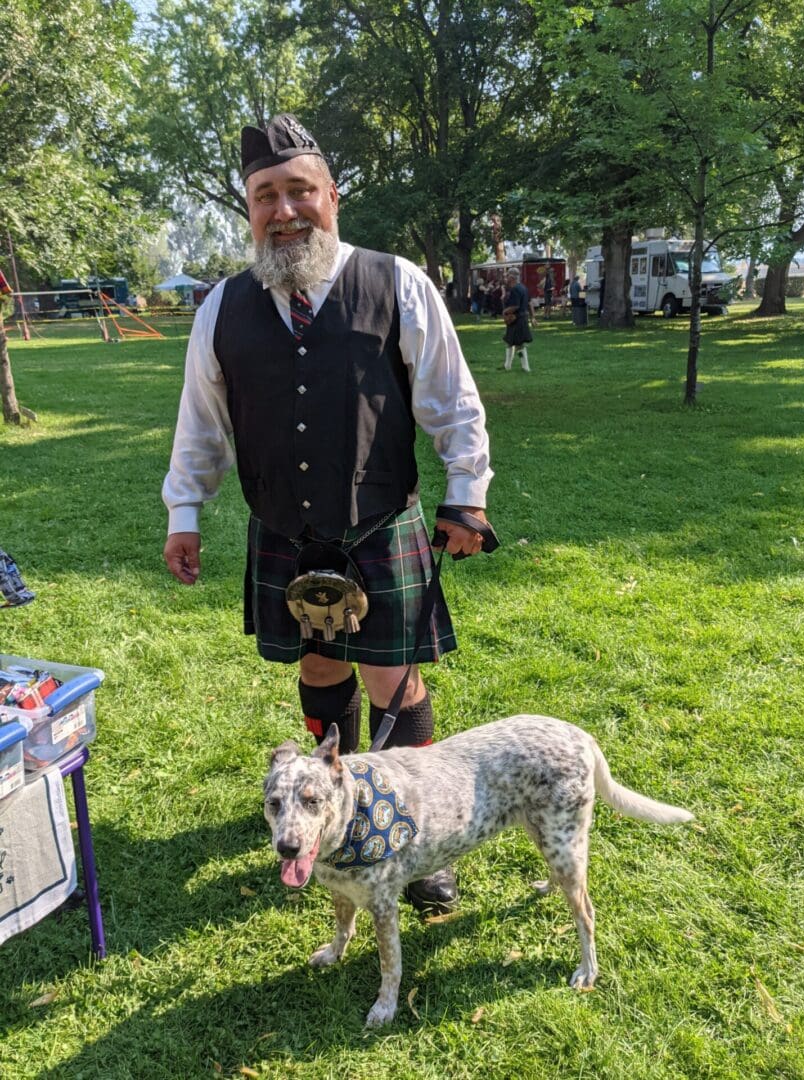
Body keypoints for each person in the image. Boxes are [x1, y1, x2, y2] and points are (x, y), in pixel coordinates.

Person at [162, 113, 494, 914]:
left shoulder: (396, 281)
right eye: (264, 196)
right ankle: (329, 807)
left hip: (379, 524)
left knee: (393, 678)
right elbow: (201, 421)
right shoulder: (223, 307)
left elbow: (452, 399)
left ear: (331, 197)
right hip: (283, 530)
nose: (283, 210)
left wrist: (467, 494)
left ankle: (416, 840)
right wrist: (185, 509)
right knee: (318, 670)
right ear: (249, 211)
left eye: (298, 191)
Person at [501, 267, 532, 372]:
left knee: (519, 345)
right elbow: (529, 303)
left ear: (512, 277)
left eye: (507, 275)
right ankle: (507, 366)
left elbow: (515, 306)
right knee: (510, 342)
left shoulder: (515, 289)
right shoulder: (523, 287)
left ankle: (525, 367)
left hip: (516, 319)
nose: (506, 278)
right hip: (521, 318)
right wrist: (533, 317)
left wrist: (505, 312)